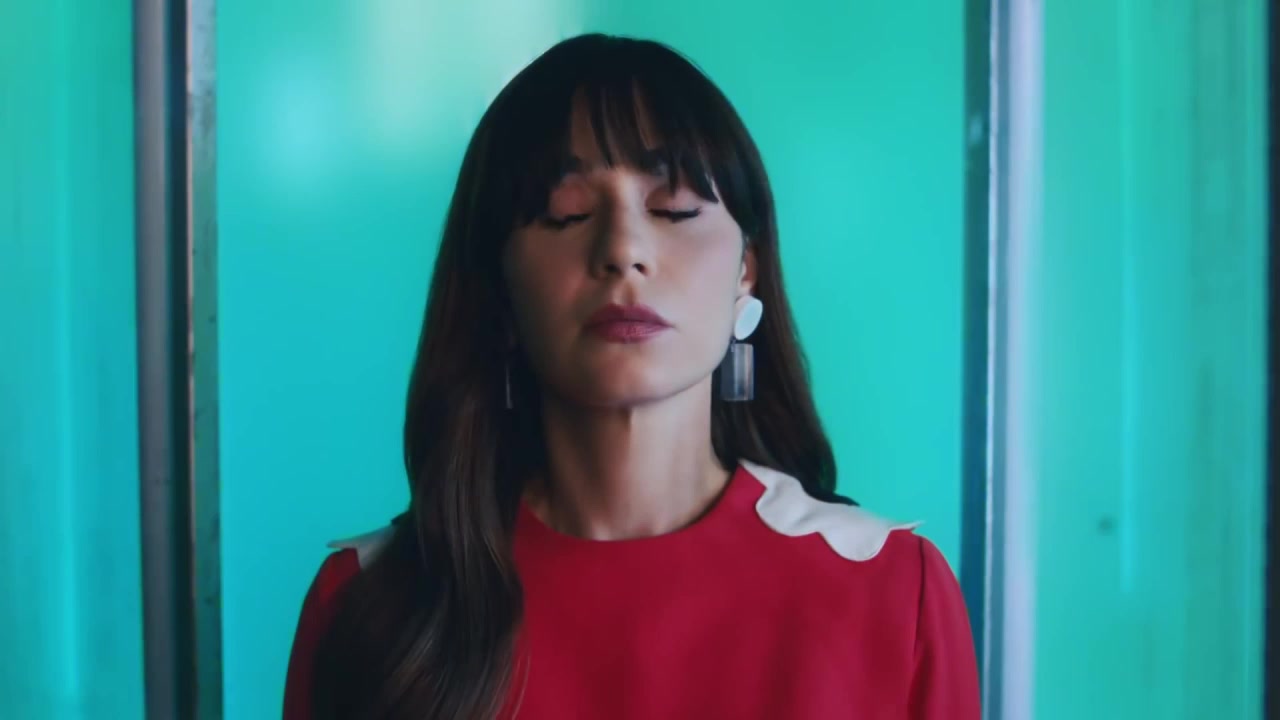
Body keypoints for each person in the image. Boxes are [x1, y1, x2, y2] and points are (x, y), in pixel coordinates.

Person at [283, 32, 980, 720]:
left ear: (746, 271)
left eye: (674, 208)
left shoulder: (894, 591)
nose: (623, 249)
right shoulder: (369, 603)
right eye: (567, 213)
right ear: (499, 287)